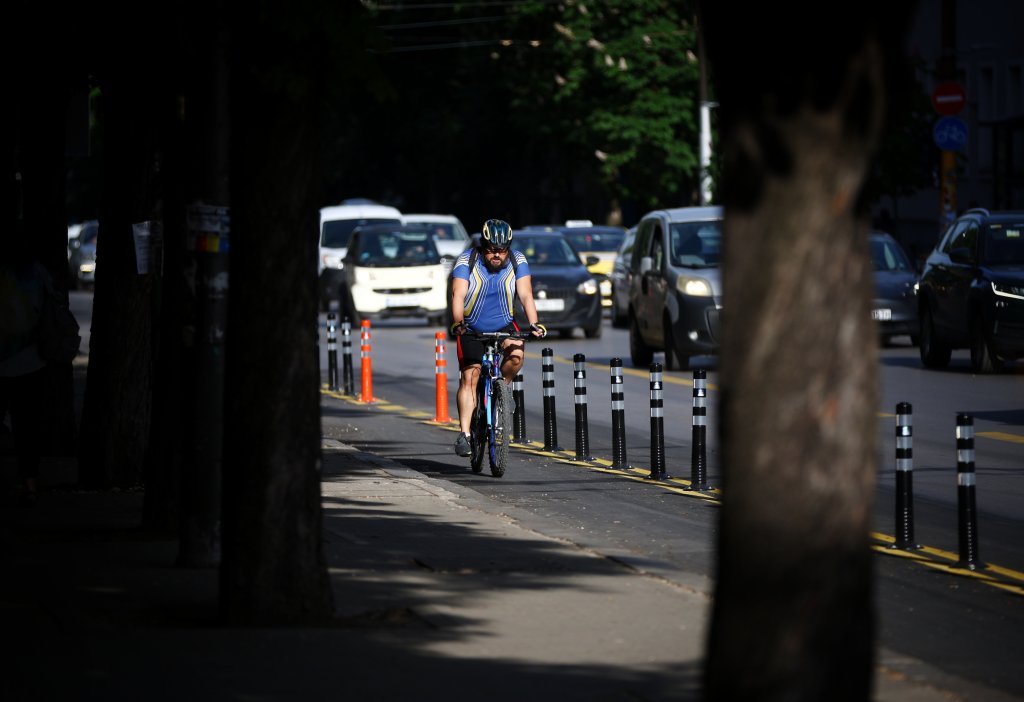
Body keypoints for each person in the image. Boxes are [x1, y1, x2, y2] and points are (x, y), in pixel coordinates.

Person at [449, 219, 546, 457]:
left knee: (516, 354)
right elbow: (458, 295)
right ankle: (465, 433)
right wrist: (459, 323)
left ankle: (503, 389)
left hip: (504, 322)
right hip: (471, 327)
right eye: (492, 249)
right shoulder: (467, 261)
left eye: (502, 250)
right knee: (470, 375)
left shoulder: (517, 260)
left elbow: (525, 295)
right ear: (483, 246)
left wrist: (534, 323)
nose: (497, 255)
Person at [0, 240, 50, 505]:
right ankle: (30, 483)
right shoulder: (36, 271)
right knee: (27, 425)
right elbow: (53, 306)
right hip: (31, 360)